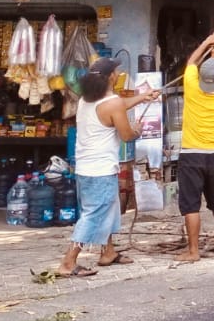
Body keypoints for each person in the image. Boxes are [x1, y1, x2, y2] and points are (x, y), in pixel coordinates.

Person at [57, 58, 160, 277]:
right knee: (95, 214)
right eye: (116, 71)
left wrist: (143, 97)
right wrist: (137, 130)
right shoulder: (111, 103)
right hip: (100, 170)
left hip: (86, 168)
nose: (119, 73)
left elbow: (118, 105)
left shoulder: (87, 99)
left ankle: (108, 252)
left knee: (109, 210)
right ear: (111, 76)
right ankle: (68, 261)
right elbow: (126, 135)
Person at [177, 33, 214, 263]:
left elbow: (191, 63)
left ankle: (193, 252)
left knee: (191, 204)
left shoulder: (192, 86)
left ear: (201, 77)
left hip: (191, 154)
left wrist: (206, 43)